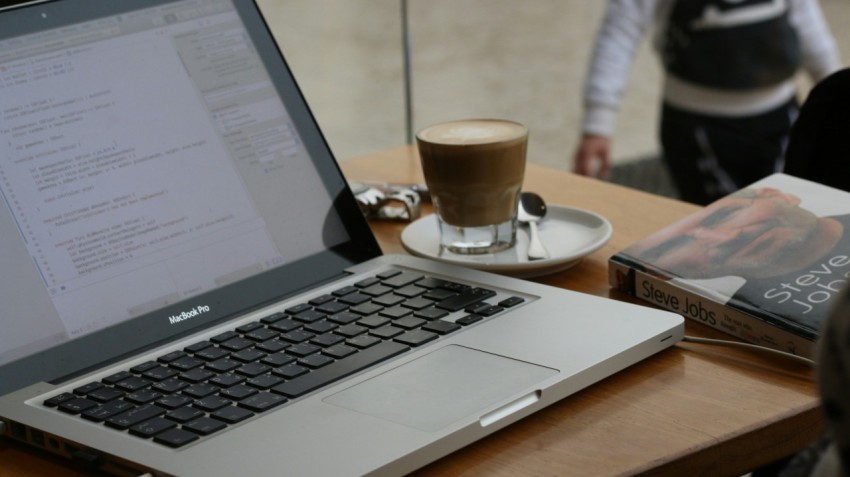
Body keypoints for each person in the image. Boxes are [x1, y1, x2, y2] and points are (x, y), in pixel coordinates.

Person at [573, 0, 841, 205]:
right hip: (697, 128)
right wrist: (598, 121)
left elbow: (806, 19)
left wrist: (839, 94)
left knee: (792, 208)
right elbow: (621, 30)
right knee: (718, 228)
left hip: (782, 116)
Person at [624, 183, 850, 331]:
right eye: (672, 246)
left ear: (776, 195)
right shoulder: (744, 320)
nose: (723, 238)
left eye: (725, 215)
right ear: (657, 273)